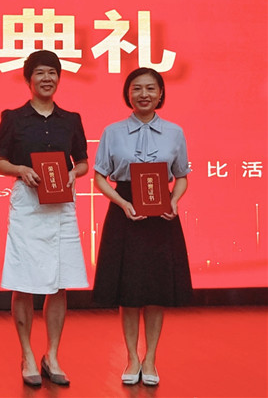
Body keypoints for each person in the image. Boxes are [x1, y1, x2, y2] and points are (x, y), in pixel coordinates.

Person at [0, 50, 89, 387]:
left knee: (59, 281)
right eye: (40, 72)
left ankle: (52, 354)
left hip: (61, 204)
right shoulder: (13, 118)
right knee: (24, 281)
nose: (47, 78)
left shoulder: (71, 119)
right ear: (28, 79)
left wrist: (74, 173)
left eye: (52, 72)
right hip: (28, 204)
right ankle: (27, 355)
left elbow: (82, 161)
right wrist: (21, 169)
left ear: (59, 77)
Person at [92, 67, 192, 387]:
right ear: (128, 94)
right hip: (125, 209)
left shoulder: (175, 132)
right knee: (129, 289)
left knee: (156, 289)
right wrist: (122, 203)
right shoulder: (112, 131)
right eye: (137, 88)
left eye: (150, 88)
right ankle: (132, 357)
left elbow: (182, 175)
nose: (144, 94)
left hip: (161, 215)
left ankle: (150, 358)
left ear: (161, 94)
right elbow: (99, 177)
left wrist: (174, 201)